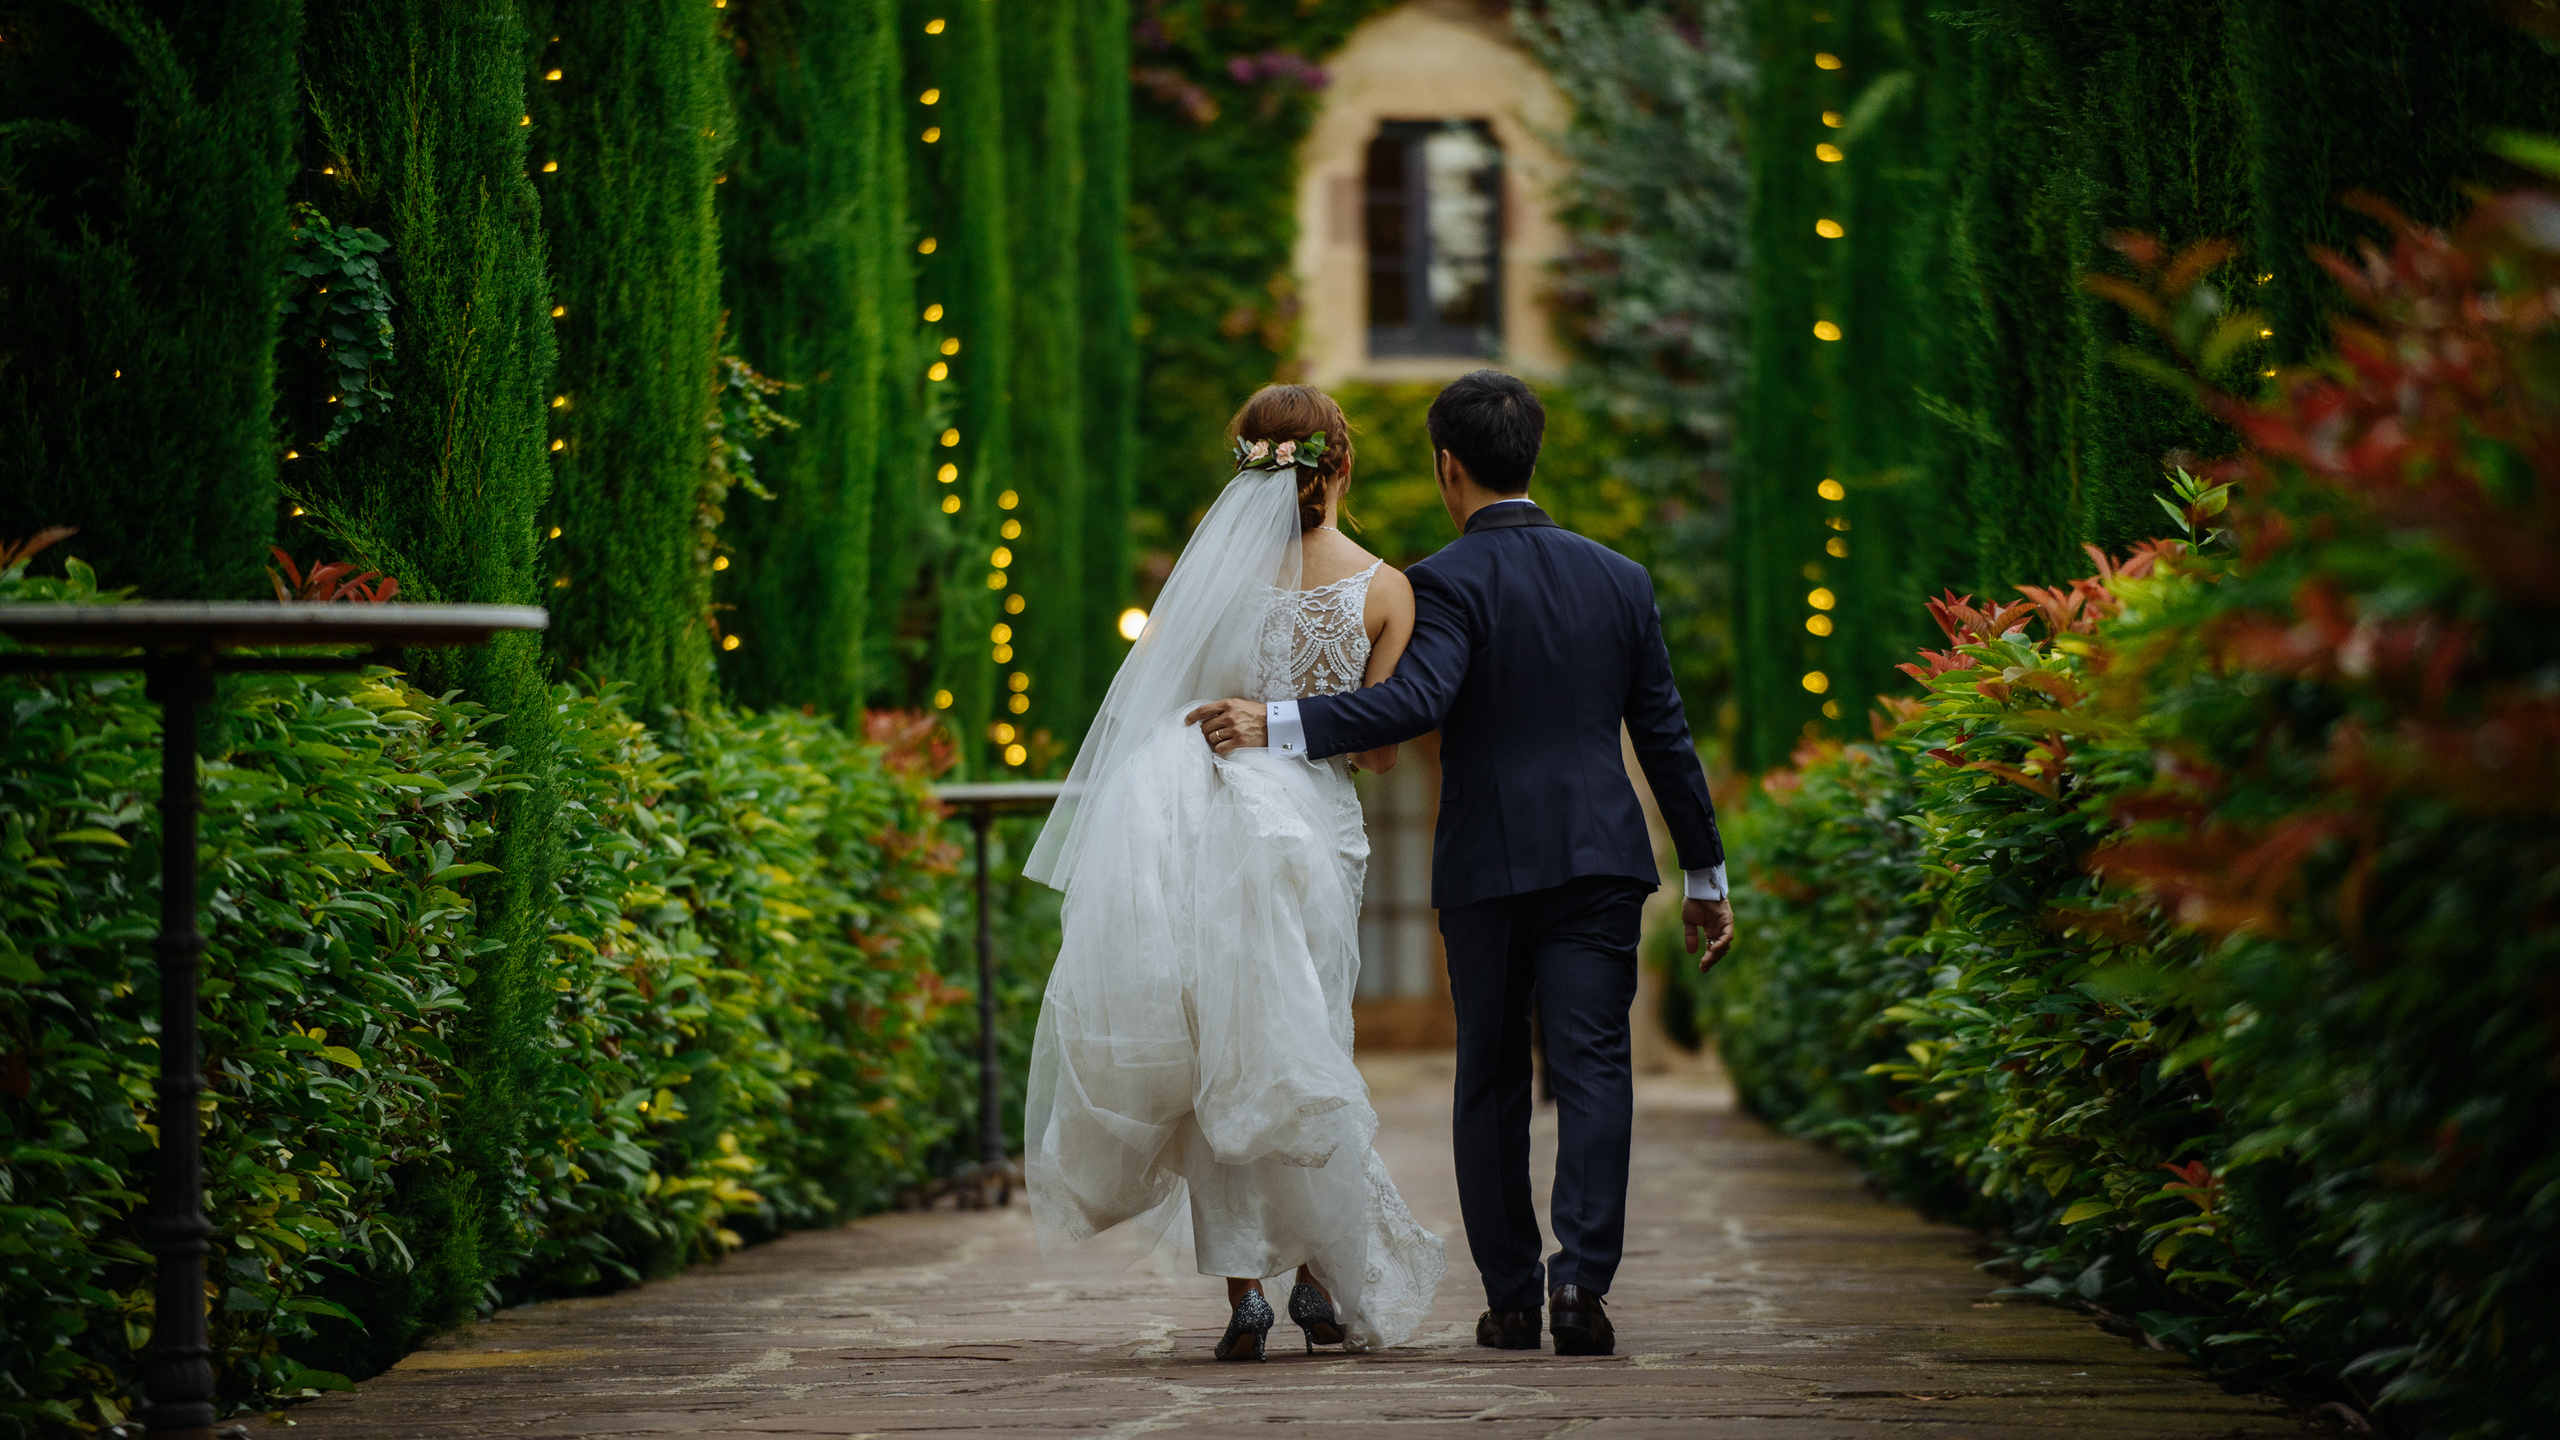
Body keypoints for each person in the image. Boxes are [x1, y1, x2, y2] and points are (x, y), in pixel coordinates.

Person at [1187, 369, 1736, 1358]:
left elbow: (1412, 705)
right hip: (1602, 858)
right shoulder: (1621, 578)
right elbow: (1665, 737)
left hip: (1486, 860)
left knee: (1487, 1074)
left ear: (1447, 466)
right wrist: (1704, 874)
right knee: (1594, 1067)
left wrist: (1270, 720)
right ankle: (1582, 1290)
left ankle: (1514, 1299)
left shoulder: (1443, 581)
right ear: (1532, 456)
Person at [1020, 384, 1447, 1362]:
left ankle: (1245, 1293)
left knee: (1219, 1047)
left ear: (1245, 468)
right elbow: (1380, 754)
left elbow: (1164, 703)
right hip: (1312, 832)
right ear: (1340, 465)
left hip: (1201, 816)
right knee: (1301, 1044)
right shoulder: (1386, 591)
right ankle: (1312, 1282)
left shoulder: (1210, 585)